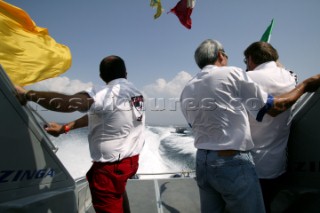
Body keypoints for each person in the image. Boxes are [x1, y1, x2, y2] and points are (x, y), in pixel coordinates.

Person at [179, 39, 320, 213]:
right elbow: (275, 108)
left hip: (202, 162)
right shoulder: (232, 74)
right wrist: (304, 85)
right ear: (221, 55)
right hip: (231, 162)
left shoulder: (187, 88)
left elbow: (195, 125)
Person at [15, 55, 145, 213]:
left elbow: (69, 103)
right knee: (117, 191)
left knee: (110, 194)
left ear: (102, 77)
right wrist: (65, 128)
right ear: (126, 73)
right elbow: (97, 115)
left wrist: (29, 95)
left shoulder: (104, 93)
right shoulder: (135, 92)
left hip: (110, 168)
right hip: (130, 162)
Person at [244, 41, 297, 212]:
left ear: (250, 59)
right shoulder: (290, 77)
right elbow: (284, 70)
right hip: (277, 164)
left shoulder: (246, 79)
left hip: (250, 164)